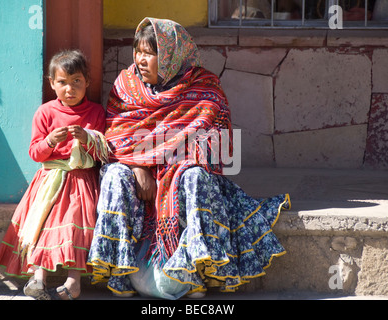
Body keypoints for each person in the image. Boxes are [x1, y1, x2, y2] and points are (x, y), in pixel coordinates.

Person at [87, 18, 290, 299]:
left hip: (181, 177)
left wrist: (166, 170)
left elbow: (215, 147)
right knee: (114, 175)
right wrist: (138, 167)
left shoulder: (204, 88)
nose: (140, 59)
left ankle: (197, 269)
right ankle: (121, 271)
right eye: (137, 51)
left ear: (171, 55)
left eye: (149, 53)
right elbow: (116, 137)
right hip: (140, 177)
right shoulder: (126, 86)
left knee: (196, 176)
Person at [0, 49, 108, 300]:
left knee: (78, 225)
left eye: (76, 81)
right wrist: (50, 143)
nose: (70, 88)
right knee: (44, 225)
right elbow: (35, 152)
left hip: (81, 181)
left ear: (87, 81)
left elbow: (103, 152)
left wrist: (87, 138)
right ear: (52, 84)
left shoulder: (97, 113)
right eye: (62, 82)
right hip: (49, 183)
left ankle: (73, 281)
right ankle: (38, 278)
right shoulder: (45, 112)